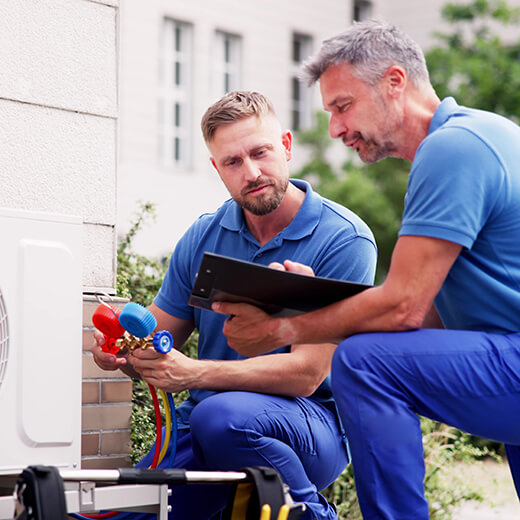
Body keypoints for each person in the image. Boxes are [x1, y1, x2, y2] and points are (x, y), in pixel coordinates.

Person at [213, 22, 520, 520]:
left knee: (364, 362)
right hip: (505, 353)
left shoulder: (453, 148)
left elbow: (403, 308)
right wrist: (317, 302)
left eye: (342, 105)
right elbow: (431, 320)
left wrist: (282, 329)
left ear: (394, 82)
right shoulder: (482, 135)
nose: (335, 128)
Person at [93, 90, 377, 520]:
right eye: (232, 162)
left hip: (313, 425)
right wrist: (125, 353)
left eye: (260, 153)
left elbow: (307, 374)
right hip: (202, 424)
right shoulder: (203, 236)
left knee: (221, 415)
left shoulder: (343, 241)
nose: (252, 172)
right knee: (124, 514)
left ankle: (314, 515)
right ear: (217, 169)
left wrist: (194, 373)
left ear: (285, 145)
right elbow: (155, 342)